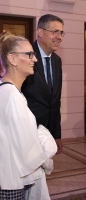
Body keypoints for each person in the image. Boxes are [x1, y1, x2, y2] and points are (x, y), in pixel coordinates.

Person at [0, 32, 49, 199]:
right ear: (12, 59)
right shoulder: (12, 95)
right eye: (29, 54)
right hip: (10, 182)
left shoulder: (5, 89)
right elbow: (27, 146)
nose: (34, 59)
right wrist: (47, 146)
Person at [22, 14, 64, 153]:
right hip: (27, 132)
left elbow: (55, 101)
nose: (59, 37)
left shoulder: (57, 61)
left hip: (48, 134)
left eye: (61, 33)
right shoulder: (24, 56)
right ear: (40, 32)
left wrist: (56, 135)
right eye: (54, 32)